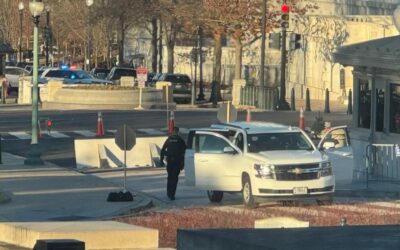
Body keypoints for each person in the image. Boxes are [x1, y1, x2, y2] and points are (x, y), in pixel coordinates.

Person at [160, 127, 187, 200]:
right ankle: (172, 194)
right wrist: (183, 163)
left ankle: (169, 193)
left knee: (170, 177)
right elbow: (184, 152)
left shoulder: (169, 139)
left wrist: (161, 160)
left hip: (170, 161)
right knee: (174, 178)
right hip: (177, 162)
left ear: (172, 132)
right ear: (178, 132)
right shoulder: (180, 140)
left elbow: (162, 149)